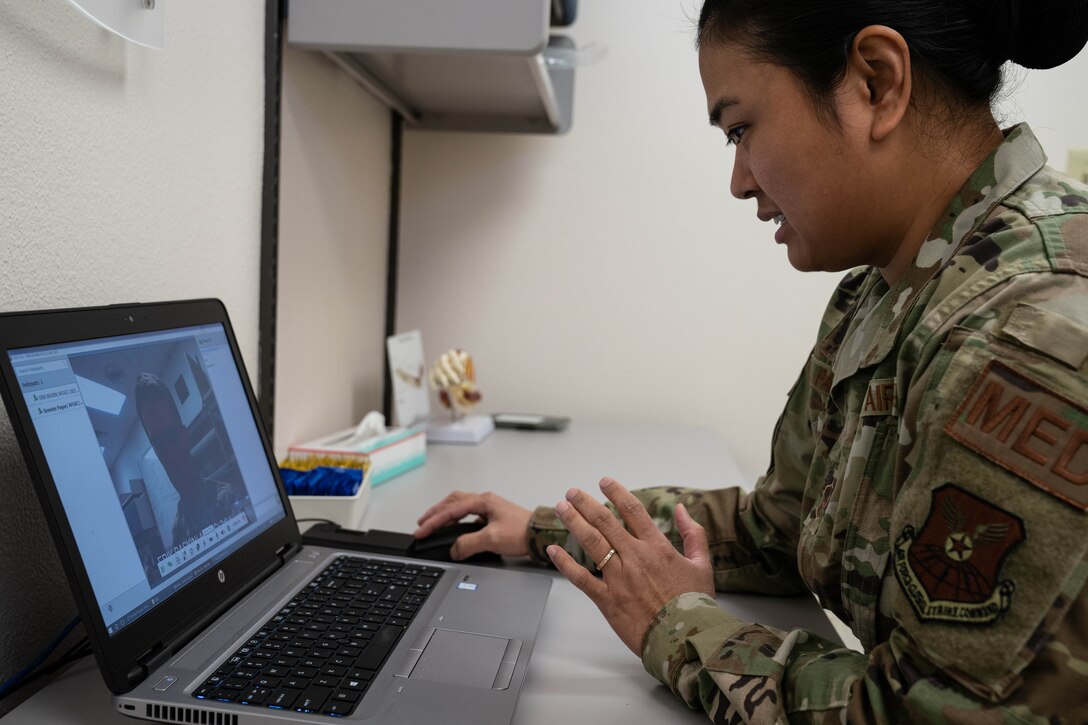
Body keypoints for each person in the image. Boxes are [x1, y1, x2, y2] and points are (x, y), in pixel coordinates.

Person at [415, 0, 1088, 721]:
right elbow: (780, 528)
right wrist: (552, 532)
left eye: (741, 129)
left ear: (877, 83)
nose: (738, 180)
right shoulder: (887, 290)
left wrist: (675, 623)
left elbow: (923, 713)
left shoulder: (1027, 335)